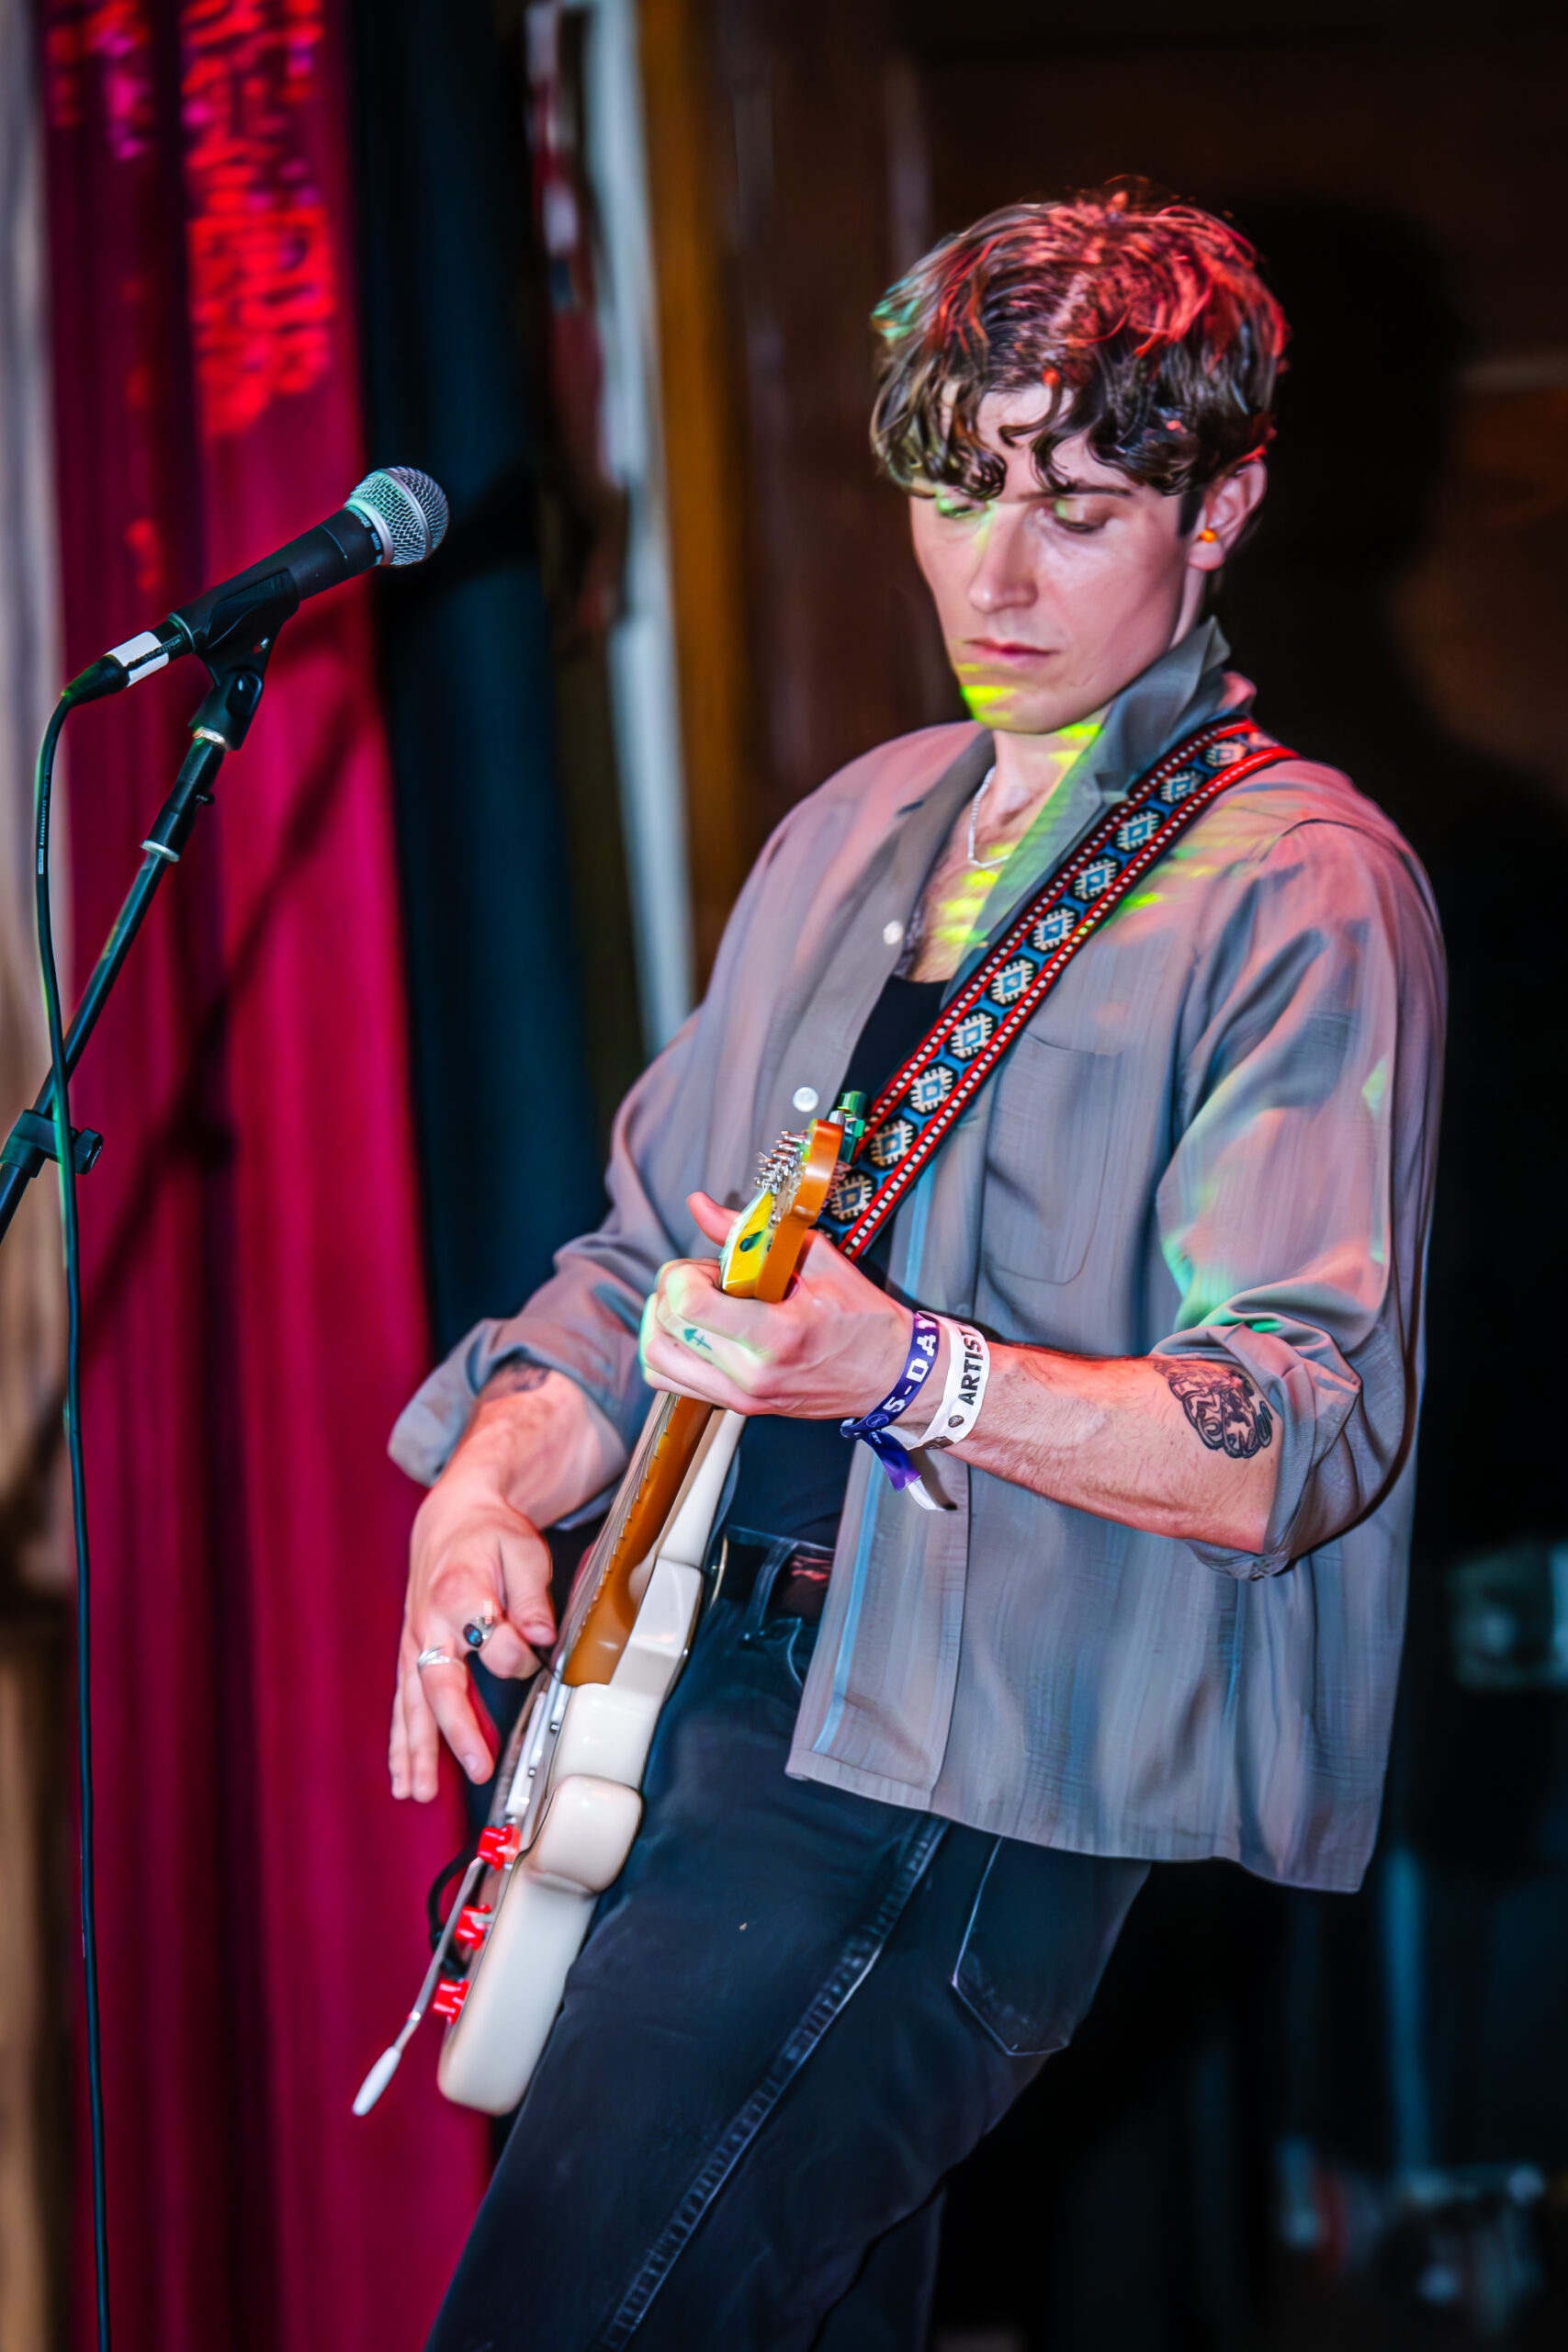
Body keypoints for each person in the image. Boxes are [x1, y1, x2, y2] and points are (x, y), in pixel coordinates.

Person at [387, 187, 1445, 2350]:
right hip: (698, 1710)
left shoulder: (1298, 879)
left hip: (963, 1781)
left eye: (1071, 503)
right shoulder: (854, 824)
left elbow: (1294, 1423)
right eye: (955, 490)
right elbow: (640, 1257)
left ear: (1219, 501)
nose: (995, 569)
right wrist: (490, 1478)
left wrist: (907, 1373)